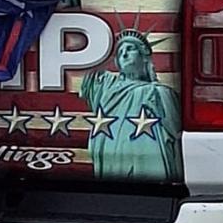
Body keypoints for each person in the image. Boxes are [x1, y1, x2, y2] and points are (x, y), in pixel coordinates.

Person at [77, 31, 182, 182]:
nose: (124, 54)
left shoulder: (159, 93)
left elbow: (176, 133)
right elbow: (91, 68)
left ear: (144, 57)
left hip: (150, 168)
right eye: (120, 53)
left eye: (130, 49)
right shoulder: (107, 87)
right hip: (112, 164)